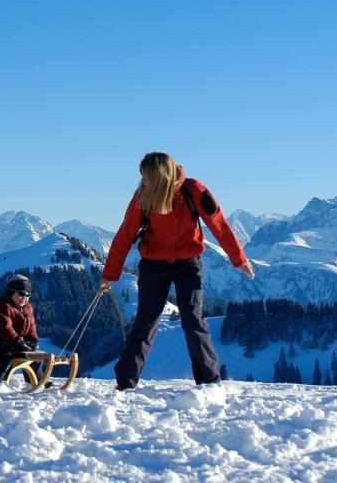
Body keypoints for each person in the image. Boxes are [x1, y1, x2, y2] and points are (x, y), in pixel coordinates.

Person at [100, 152, 255, 391]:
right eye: (142, 177)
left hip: (187, 264)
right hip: (153, 265)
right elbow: (124, 235)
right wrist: (109, 275)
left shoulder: (193, 190)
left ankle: (209, 382)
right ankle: (125, 382)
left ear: (161, 175)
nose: (144, 181)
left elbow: (219, 225)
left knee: (193, 320)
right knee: (145, 322)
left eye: (148, 176)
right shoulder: (143, 195)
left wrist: (239, 259)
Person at [0, 275, 40, 387]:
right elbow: (5, 328)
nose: (25, 298)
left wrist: (32, 340)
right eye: (21, 294)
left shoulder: (27, 308)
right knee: (4, 355)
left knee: (35, 356)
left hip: (15, 341)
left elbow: (31, 326)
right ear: (11, 292)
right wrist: (17, 341)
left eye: (28, 295)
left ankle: (37, 381)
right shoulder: (2, 307)